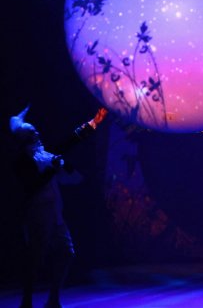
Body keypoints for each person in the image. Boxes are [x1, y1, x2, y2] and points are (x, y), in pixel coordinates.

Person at [9, 105, 108, 308]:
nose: (37, 133)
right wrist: (52, 170)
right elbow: (31, 186)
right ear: (24, 139)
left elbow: (69, 142)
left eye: (36, 130)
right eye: (32, 132)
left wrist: (92, 124)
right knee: (35, 259)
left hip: (55, 212)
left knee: (66, 252)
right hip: (37, 213)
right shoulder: (22, 161)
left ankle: (53, 299)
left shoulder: (44, 154)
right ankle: (26, 302)